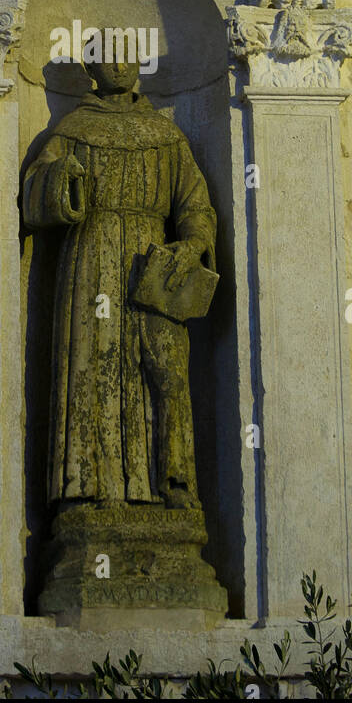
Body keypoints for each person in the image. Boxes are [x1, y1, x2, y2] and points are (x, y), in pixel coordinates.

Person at [23, 52, 217, 510]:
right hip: (92, 259)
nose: (118, 65)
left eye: (127, 56)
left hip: (155, 265)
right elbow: (34, 190)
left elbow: (195, 205)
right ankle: (89, 489)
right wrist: (60, 179)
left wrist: (191, 244)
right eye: (107, 58)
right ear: (91, 70)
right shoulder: (73, 130)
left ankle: (171, 487)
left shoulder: (166, 135)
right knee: (94, 362)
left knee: (162, 374)